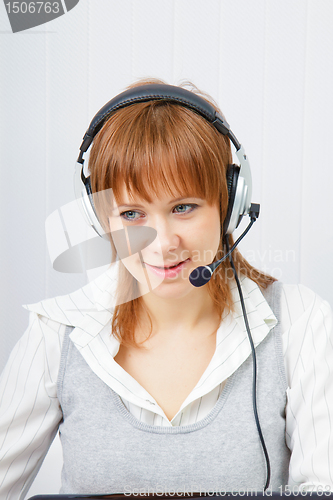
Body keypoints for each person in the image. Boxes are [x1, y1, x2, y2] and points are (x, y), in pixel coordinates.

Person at [0, 79, 333, 499]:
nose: (162, 244)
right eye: (133, 213)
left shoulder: (300, 322)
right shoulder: (56, 332)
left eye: (183, 207)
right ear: (101, 218)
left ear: (227, 203)